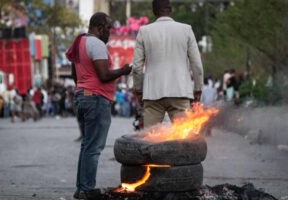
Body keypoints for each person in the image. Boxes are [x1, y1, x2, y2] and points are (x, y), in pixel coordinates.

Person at [65, 12, 132, 199]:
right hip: (96, 99)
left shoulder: (79, 43)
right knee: (94, 148)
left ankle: (81, 189)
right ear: (99, 27)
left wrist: (85, 85)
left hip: (82, 96)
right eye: (108, 27)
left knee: (87, 146)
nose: (109, 32)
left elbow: (75, 76)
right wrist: (124, 70)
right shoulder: (97, 44)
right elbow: (104, 75)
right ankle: (86, 189)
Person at [132, 0, 203, 128]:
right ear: (170, 9)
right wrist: (197, 90)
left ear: (154, 11)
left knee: (150, 139)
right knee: (183, 139)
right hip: (180, 92)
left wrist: (139, 91)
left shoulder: (144, 31)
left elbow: (137, 68)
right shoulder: (186, 29)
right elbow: (197, 65)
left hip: (152, 94)